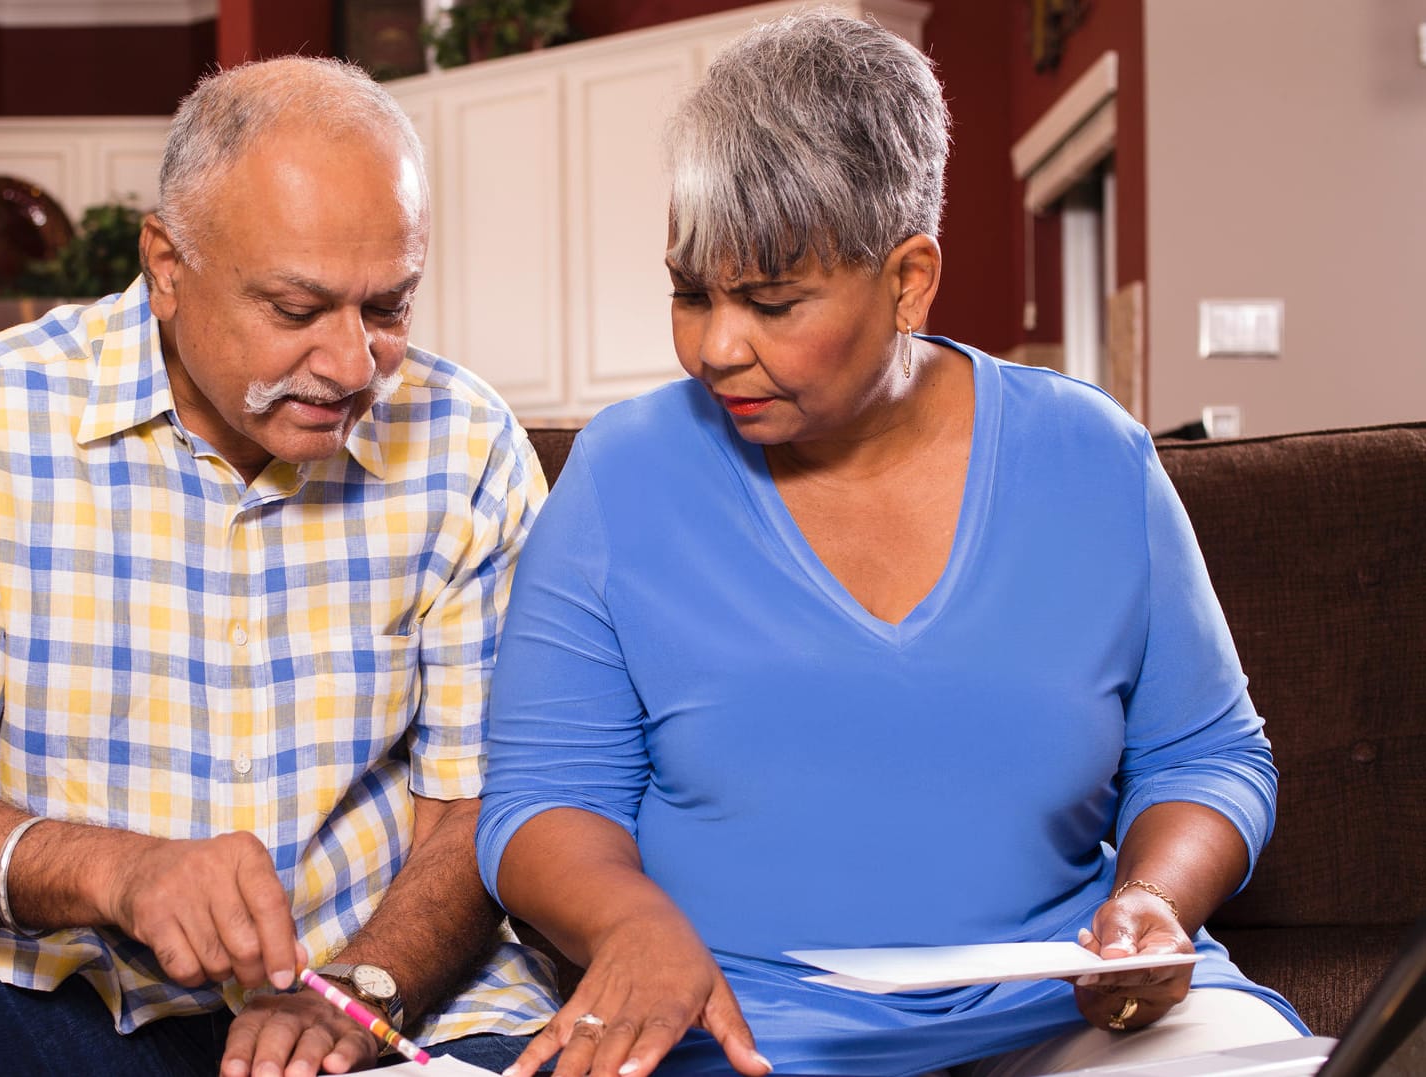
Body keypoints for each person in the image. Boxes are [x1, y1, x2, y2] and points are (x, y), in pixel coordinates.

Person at [0, 56, 557, 1076]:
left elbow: (475, 814)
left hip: (387, 1018)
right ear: (168, 265)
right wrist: (115, 874)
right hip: (64, 1014)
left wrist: (358, 995)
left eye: (387, 307)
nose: (351, 366)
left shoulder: (466, 446)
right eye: (297, 311)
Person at [474, 13, 1307, 1077]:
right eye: (691, 293)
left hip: (1071, 1015)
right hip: (740, 1028)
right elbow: (543, 799)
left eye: (772, 303)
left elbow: (1207, 755)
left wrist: (1150, 902)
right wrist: (632, 927)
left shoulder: (1093, 457)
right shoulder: (620, 475)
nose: (716, 346)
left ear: (908, 279)